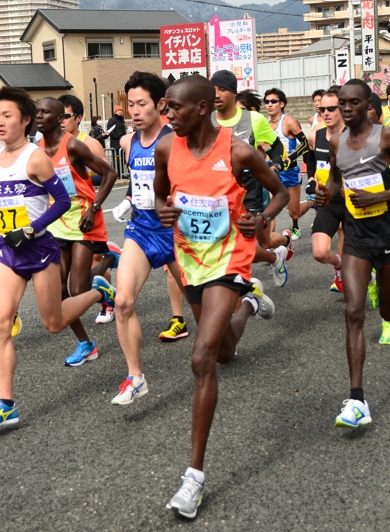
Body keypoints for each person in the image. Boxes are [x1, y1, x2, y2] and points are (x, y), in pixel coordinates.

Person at [154, 75, 286, 519]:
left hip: (229, 258)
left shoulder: (236, 150)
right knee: (225, 352)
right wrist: (163, 209)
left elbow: (281, 190)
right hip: (189, 258)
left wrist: (260, 218)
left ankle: (193, 477)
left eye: (174, 108)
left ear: (205, 107)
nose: (167, 115)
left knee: (201, 356)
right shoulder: (166, 148)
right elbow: (158, 194)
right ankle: (251, 303)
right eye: (165, 107)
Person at [0, 86, 116, 428]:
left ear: (25, 120)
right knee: (0, 323)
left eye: (7, 116)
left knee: (54, 323)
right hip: (8, 253)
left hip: (39, 249)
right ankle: (6, 404)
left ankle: (98, 293)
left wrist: (30, 230)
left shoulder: (35, 157)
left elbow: (61, 202)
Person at [314, 79, 390, 420]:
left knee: (389, 313)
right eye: (341, 104)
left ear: (368, 106)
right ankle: (356, 400)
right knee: (354, 311)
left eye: (353, 103)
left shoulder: (387, 137)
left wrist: (379, 196)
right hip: (357, 236)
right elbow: (337, 179)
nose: (347, 109)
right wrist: (326, 193)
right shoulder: (336, 141)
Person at [106, 72, 191, 405]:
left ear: (160, 105)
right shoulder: (128, 142)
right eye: (131, 104)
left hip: (177, 231)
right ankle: (135, 376)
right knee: (123, 302)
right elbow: (139, 181)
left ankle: (242, 301)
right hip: (141, 230)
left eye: (142, 104)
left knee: (201, 302)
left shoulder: (176, 141)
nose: (135, 111)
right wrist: (129, 200)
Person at [36, 97, 117, 365]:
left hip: (84, 221)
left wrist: (94, 208)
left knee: (78, 290)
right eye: (36, 111)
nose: (38, 116)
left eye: (45, 112)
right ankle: (86, 344)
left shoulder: (72, 145)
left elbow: (110, 174)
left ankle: (106, 262)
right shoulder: (37, 149)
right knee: (57, 289)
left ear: (60, 118)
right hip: (57, 222)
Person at [209, 70, 291, 286]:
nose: (216, 94)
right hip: (218, 191)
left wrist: (276, 164)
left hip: (250, 187)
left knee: (262, 242)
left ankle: (281, 246)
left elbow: (276, 146)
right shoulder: (205, 119)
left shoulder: (252, 119)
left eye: (222, 89)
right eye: (213, 89)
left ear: (233, 93)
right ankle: (240, 291)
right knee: (235, 246)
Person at [305, 87, 347, 293]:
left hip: (352, 200)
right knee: (320, 252)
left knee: (345, 237)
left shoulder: (352, 135)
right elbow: (311, 160)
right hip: (327, 200)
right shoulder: (316, 134)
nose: (326, 113)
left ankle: (349, 276)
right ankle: (339, 265)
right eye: (323, 109)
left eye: (332, 108)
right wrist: (311, 178)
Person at [264, 88, 313, 237]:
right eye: (266, 102)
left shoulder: (289, 122)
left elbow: (306, 146)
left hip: (290, 172)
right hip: (272, 172)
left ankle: (311, 203)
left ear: (282, 104)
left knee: (294, 212)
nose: (269, 105)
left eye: (273, 101)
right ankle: (269, 244)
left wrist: (289, 159)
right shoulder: (264, 123)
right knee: (269, 210)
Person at [106, 105, 127, 176]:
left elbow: (123, 130)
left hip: (122, 142)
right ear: (115, 111)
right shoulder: (112, 120)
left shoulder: (122, 120)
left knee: (122, 159)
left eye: (121, 110)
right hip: (115, 143)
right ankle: (115, 174)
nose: (120, 112)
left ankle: (121, 173)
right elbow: (110, 131)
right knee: (116, 159)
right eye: (118, 110)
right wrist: (117, 137)